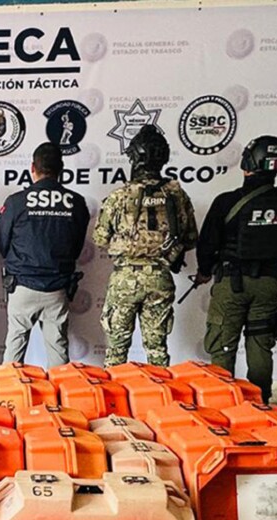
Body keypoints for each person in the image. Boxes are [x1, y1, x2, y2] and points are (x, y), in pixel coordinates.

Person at [194, 135, 277, 402]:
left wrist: (204, 271)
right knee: (260, 345)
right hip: (268, 283)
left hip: (231, 284)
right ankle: (261, 405)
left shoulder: (226, 201)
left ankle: (222, 405)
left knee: (222, 345)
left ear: (247, 163)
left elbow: (207, 244)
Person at [94, 125, 198, 367]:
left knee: (116, 353)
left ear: (134, 157)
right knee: (157, 351)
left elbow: (100, 238)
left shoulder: (119, 196)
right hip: (160, 278)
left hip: (125, 280)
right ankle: (158, 391)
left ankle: (116, 392)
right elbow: (191, 238)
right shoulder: (177, 195)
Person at [0, 143, 90, 366]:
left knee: (15, 346)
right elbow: (77, 247)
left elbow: (3, 244)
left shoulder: (16, 202)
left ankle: (9, 389)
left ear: (33, 168)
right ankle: (61, 389)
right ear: (61, 169)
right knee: (58, 349)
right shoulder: (76, 202)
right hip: (57, 287)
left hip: (22, 285)